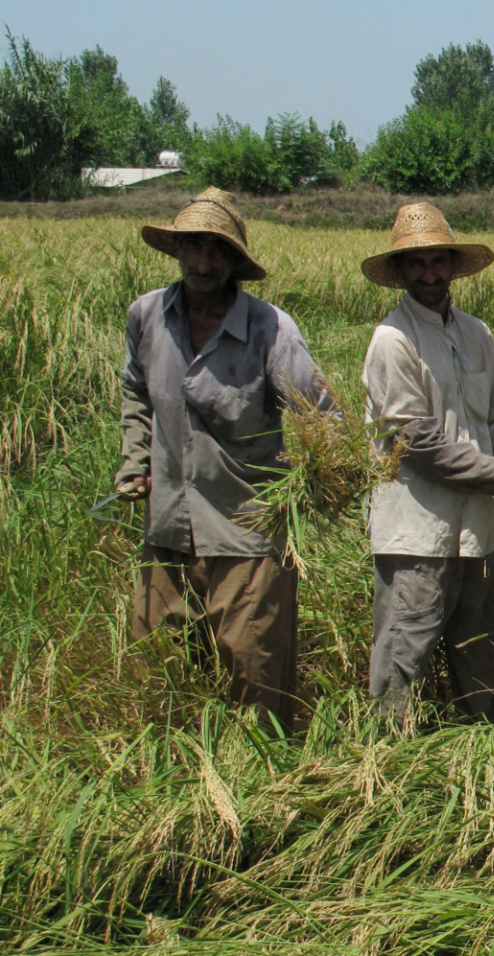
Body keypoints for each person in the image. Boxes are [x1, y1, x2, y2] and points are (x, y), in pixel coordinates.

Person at [118, 187, 334, 733]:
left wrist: (313, 490)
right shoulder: (147, 316)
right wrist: (135, 462)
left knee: (253, 675)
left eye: (216, 251)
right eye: (192, 247)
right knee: (160, 674)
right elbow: (136, 395)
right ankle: (174, 787)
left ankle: (261, 792)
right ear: (176, 250)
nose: (202, 263)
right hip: (168, 526)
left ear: (236, 261)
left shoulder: (271, 330)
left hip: (247, 535)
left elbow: (321, 417)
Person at [360, 203, 494, 722]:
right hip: (418, 536)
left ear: (451, 265)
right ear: (400, 272)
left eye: (437, 261)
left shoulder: (477, 335)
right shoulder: (393, 341)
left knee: (481, 659)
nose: (429, 273)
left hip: (477, 537)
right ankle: (384, 767)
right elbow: (420, 446)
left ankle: (474, 760)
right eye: (417, 263)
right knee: (404, 662)